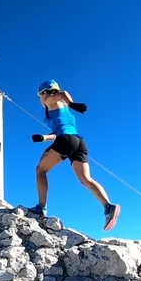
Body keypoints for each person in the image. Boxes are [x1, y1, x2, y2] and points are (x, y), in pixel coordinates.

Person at [28, 79, 121, 231]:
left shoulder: (49, 100)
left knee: (40, 170)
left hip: (66, 140)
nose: (40, 99)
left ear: (44, 93)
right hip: (79, 142)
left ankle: (41, 208)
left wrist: (73, 104)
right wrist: (44, 137)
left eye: (39, 96)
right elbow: (60, 131)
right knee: (86, 179)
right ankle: (108, 206)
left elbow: (62, 94)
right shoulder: (63, 109)